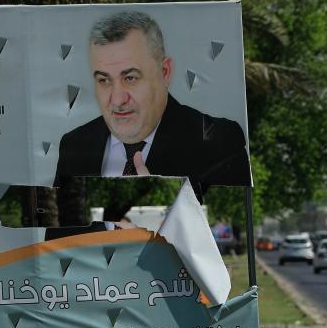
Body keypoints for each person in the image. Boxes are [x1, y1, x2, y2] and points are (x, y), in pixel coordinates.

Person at [55, 11, 251, 197]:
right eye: (104, 80)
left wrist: (164, 197)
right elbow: (63, 225)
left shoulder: (216, 142)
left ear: (164, 72)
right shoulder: (73, 145)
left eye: (130, 78)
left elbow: (223, 223)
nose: (117, 100)